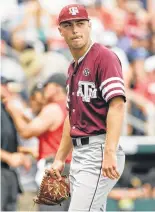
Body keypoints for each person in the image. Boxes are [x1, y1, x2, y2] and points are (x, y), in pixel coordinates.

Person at [49, 4, 126, 211]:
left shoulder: (104, 57)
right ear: (60, 31)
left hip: (99, 149)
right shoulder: (72, 67)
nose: (75, 30)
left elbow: (117, 106)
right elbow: (71, 117)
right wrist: (59, 159)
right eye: (69, 25)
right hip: (80, 153)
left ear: (89, 26)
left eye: (80, 23)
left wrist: (109, 152)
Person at [4, 73, 71, 211]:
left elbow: (26, 132)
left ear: (57, 88)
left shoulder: (53, 108)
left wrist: (13, 111)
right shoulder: (70, 107)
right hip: (69, 168)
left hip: (55, 170)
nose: (45, 89)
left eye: (47, 86)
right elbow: (41, 127)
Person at [0, 77, 31, 211]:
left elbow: (7, 141)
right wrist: (9, 157)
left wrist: (22, 154)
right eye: (4, 85)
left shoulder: (6, 108)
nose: (8, 89)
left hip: (9, 172)